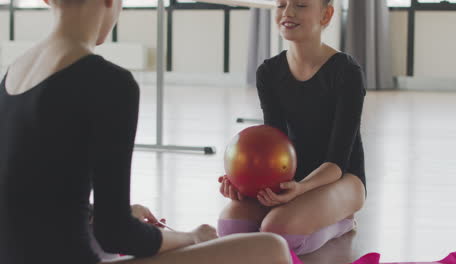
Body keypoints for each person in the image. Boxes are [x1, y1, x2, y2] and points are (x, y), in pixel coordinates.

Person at [0, 0, 292, 263]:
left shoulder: (14, 72)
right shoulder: (109, 83)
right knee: (270, 249)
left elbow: (33, 196)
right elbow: (115, 235)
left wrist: (99, 214)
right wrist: (193, 237)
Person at [218, 0, 366, 256]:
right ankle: (298, 214)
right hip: (290, 178)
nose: (287, 13)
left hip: (341, 178)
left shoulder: (346, 71)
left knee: (278, 232)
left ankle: (342, 222)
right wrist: (244, 183)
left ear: (326, 14)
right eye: (281, 4)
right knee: (231, 226)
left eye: (300, 5)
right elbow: (273, 144)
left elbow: (337, 162)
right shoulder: (269, 72)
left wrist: (301, 189)